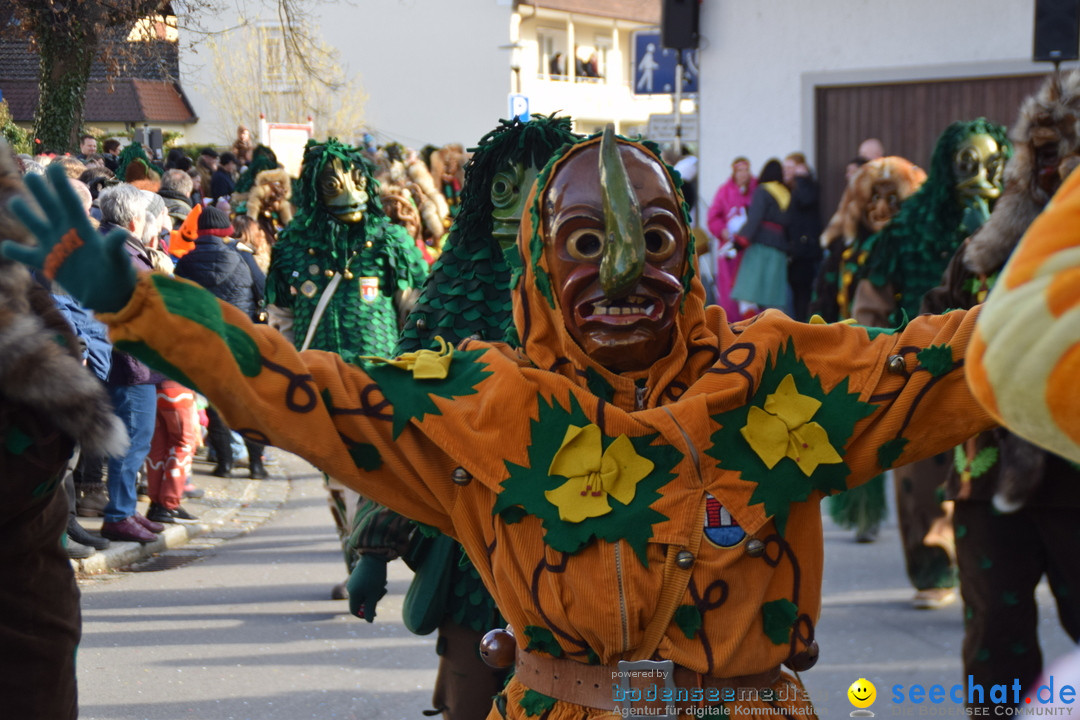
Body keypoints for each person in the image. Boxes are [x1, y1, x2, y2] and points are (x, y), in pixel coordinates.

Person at [8, 128, 1006, 719]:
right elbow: (296, 387)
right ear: (537, 264)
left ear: (690, 252)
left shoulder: (784, 380)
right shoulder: (479, 408)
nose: (623, 272)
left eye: (653, 241)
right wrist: (144, 308)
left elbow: (968, 357)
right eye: (585, 243)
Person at [923, 71, 1080, 706]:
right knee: (996, 646)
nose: (1050, 170)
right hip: (984, 481)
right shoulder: (980, 257)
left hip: (1076, 482)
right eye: (1039, 154)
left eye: (1063, 153)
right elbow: (933, 340)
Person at [851, 119, 1009, 609]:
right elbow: (870, 306)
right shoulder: (906, 227)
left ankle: (985, 567)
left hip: (998, 374)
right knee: (920, 479)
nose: (979, 174)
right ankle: (932, 569)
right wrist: (883, 355)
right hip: (921, 368)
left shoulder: (1022, 223)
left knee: (991, 478)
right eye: (967, 163)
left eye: (991, 164)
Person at [265, 138, 428, 597]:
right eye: (334, 184)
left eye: (356, 182)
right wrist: (291, 374)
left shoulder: (390, 241)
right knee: (337, 479)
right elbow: (282, 318)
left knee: (383, 472)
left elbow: (413, 310)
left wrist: (414, 370)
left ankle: (384, 554)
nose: (349, 195)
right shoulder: (293, 245)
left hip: (382, 382)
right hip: (323, 385)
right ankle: (356, 559)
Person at [95, 183, 166, 543]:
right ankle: (120, 514)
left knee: (134, 439)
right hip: (131, 363)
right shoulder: (123, 254)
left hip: (125, 361)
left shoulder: (113, 246)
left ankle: (126, 510)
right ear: (135, 219)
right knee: (133, 439)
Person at [174, 206, 267, 479]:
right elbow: (264, 291)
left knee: (215, 402)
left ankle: (225, 463)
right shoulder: (244, 260)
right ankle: (256, 465)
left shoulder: (187, 262)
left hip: (204, 340)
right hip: (241, 338)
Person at [730, 158, 790, 313]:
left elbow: (755, 218)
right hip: (779, 249)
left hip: (759, 247)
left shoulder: (762, 191)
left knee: (747, 294)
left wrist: (740, 241)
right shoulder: (786, 193)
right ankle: (775, 333)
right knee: (773, 298)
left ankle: (750, 330)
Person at [706, 156, 757, 321]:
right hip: (729, 251)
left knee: (750, 292)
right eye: (739, 170)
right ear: (734, 172)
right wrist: (722, 231)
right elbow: (713, 217)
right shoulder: (724, 191)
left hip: (749, 249)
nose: (743, 174)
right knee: (729, 291)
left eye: (746, 170)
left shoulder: (756, 189)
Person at [782, 152, 822, 322]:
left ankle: (804, 330)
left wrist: (801, 178)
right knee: (797, 295)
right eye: (785, 168)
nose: (787, 172)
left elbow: (807, 200)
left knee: (803, 296)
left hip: (805, 252)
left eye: (791, 167)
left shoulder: (806, 186)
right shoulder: (791, 189)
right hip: (796, 252)